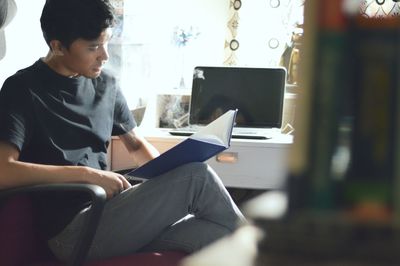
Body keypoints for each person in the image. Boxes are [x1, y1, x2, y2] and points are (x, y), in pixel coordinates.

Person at [0, 0, 245, 262]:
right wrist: (87, 175)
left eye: (106, 43)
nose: (104, 56)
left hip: (113, 212)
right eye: (93, 47)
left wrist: (165, 177)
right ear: (57, 46)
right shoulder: (22, 90)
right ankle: (271, 250)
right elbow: (4, 170)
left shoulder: (106, 84)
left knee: (215, 235)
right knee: (197, 177)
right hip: (72, 232)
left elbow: (136, 146)